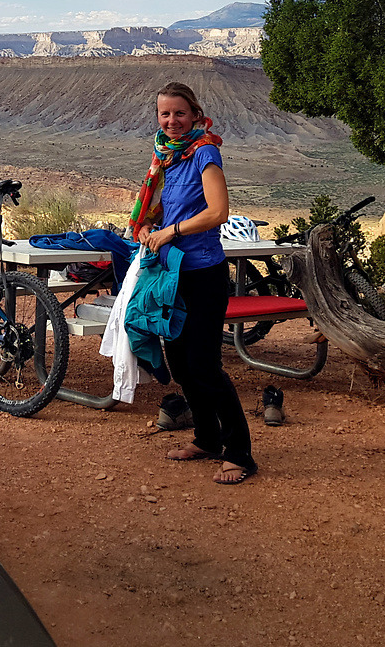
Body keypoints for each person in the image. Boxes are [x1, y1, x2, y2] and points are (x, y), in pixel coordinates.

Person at [132, 81, 257, 485]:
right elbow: (165, 204)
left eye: (179, 113)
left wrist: (172, 231)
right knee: (182, 364)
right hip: (172, 273)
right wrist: (151, 222)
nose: (171, 121)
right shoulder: (166, 158)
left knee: (205, 365)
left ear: (196, 115)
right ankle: (207, 439)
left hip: (202, 272)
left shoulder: (204, 152)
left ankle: (239, 452)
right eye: (164, 114)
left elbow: (219, 212)